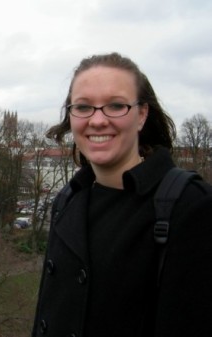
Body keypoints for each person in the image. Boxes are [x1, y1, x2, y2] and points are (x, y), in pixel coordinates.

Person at [32, 52, 212, 337]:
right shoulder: (69, 198)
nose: (98, 120)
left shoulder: (190, 207)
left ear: (142, 115)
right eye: (83, 106)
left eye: (115, 105)